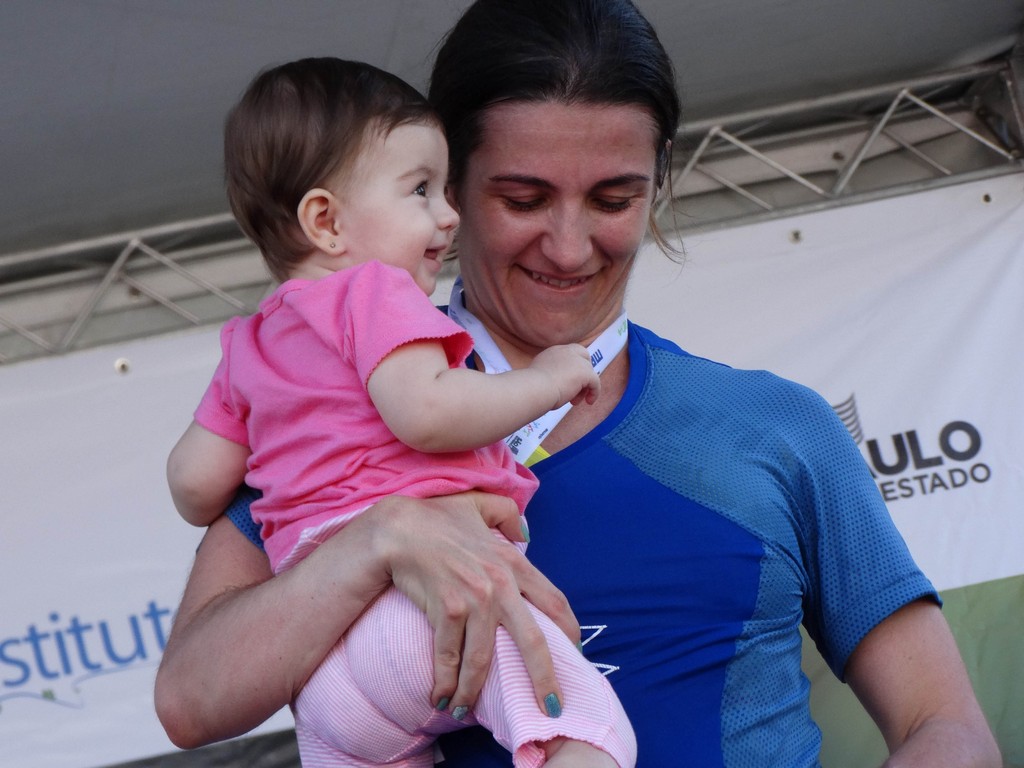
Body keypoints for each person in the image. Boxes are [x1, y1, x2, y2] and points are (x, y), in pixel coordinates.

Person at [155, 1, 1002, 766]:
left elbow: (948, 728)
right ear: (447, 189)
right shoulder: (325, 414)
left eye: (613, 199)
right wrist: (377, 540)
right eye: (523, 199)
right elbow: (190, 702)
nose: (567, 246)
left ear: (659, 183)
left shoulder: (776, 427)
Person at [164, 57, 634, 768]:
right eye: (420, 189)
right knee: (587, 734)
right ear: (326, 221)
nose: (448, 214)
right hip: (420, 611)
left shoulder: (248, 343)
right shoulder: (374, 292)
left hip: (322, 666)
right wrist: (546, 379)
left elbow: (195, 484)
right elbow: (429, 412)